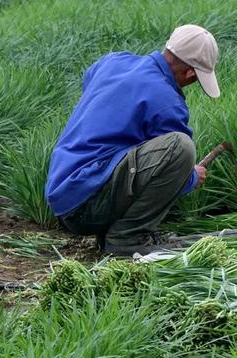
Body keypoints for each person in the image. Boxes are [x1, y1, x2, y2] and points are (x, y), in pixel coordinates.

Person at [45, 25, 219, 256]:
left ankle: (113, 228)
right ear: (189, 73)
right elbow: (173, 165)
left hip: (63, 194)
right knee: (181, 147)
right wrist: (193, 177)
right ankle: (128, 238)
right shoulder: (167, 102)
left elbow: (89, 77)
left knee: (129, 152)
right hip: (86, 208)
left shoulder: (114, 62)